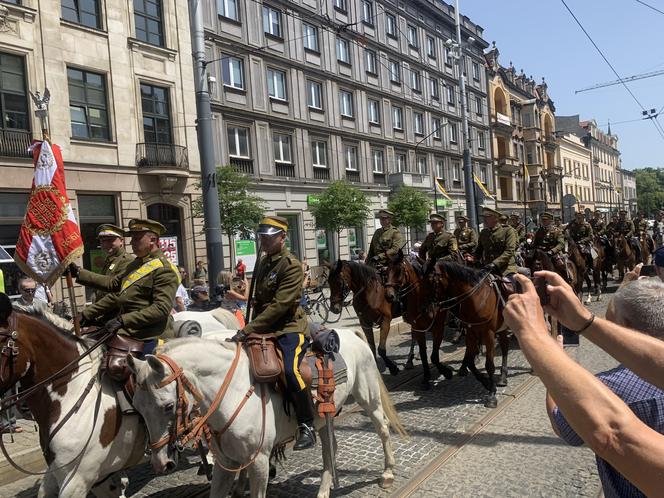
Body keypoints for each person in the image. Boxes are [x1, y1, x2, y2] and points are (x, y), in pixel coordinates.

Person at [503, 271, 664, 497]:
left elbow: (612, 435)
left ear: (625, 325)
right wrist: (584, 322)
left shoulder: (612, 386)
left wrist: (545, 350)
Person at [228, 216, 314, 450]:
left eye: (268, 237)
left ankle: (307, 424)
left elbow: (280, 305)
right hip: (264, 325)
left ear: (282, 237)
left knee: (290, 369)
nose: (263, 241)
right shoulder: (265, 262)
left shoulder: (291, 265)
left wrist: (248, 329)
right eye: (262, 237)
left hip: (288, 327)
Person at [71, 218, 180, 352]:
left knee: (116, 368)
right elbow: (114, 284)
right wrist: (78, 273)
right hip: (127, 331)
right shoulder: (136, 264)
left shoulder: (164, 269)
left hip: (149, 335)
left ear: (152, 240)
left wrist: (123, 320)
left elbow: (161, 309)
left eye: (137, 238)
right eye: (132, 238)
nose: (132, 242)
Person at [94, 224, 135, 302]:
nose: (105, 244)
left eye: (110, 240)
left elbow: (116, 292)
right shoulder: (109, 259)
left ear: (121, 241)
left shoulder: (127, 261)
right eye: (103, 241)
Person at [474, 207, 517, 278]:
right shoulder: (484, 232)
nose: (484, 220)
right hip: (487, 268)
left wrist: (495, 264)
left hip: (505, 268)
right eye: (484, 217)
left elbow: (509, 251)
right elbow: (479, 250)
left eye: (487, 217)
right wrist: (476, 260)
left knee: (509, 287)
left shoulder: (508, 231)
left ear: (496, 218)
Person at [533, 212, 566, 276]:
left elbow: (561, 244)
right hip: (540, 253)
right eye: (542, 220)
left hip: (553, 253)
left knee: (560, 265)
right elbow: (535, 243)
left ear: (550, 221)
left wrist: (553, 251)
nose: (543, 221)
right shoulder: (539, 231)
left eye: (545, 220)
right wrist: (529, 246)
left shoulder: (557, 231)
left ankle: (567, 279)